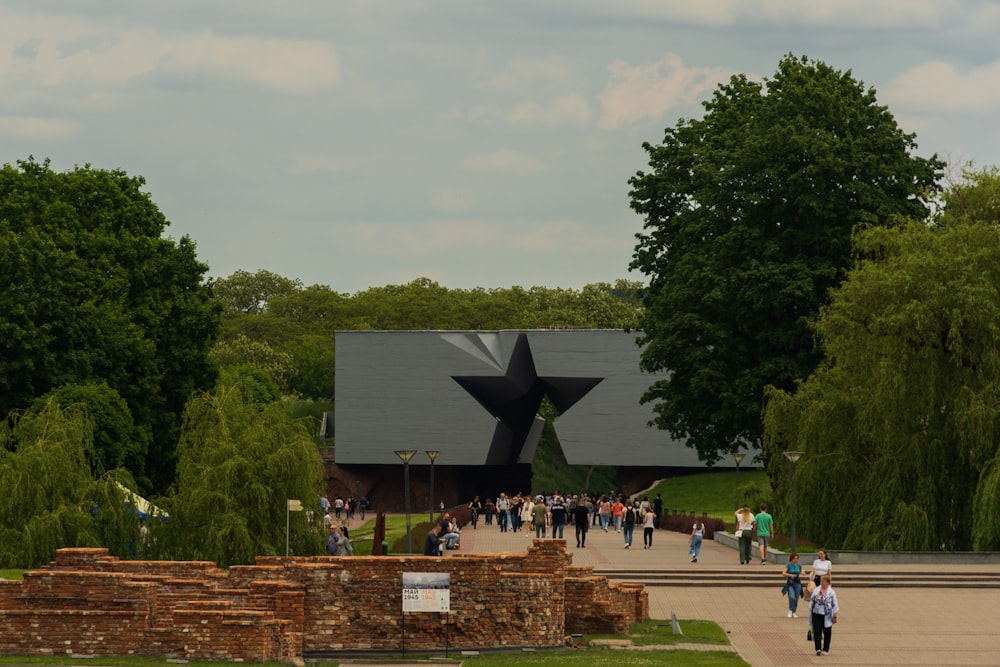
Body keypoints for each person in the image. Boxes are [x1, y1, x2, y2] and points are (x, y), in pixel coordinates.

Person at [809, 573, 839, 656]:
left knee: (827, 632)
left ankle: (826, 649)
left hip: (827, 615)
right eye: (821, 581)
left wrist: (835, 616)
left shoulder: (831, 592)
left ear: (828, 583)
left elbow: (835, 605)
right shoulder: (816, 590)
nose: (822, 583)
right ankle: (818, 648)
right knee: (817, 631)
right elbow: (812, 600)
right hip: (816, 613)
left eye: (824, 581)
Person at [782, 552, 803, 618]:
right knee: (792, 596)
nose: (796, 560)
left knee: (796, 597)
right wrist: (790, 575)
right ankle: (790, 610)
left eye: (797, 559)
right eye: (794, 558)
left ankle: (794, 611)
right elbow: (783, 573)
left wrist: (802, 572)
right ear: (791, 559)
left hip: (797, 582)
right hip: (790, 582)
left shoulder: (799, 565)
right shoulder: (788, 565)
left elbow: (802, 571)